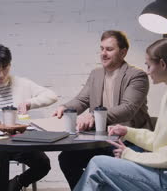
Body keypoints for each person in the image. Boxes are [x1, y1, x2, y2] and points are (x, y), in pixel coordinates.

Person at [74, 38, 167, 191]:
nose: (148, 71)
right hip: (165, 173)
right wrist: (127, 132)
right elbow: (159, 141)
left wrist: (129, 154)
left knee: (97, 163)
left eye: (149, 65)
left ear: (163, 64)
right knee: (104, 187)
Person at [52, 30, 153, 189]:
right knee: (67, 159)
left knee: (107, 168)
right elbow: (82, 99)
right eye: (102, 49)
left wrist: (93, 116)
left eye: (109, 49)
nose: (103, 54)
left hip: (129, 141)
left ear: (123, 52)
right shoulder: (96, 74)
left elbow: (128, 108)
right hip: (100, 141)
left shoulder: (137, 76)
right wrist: (65, 107)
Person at [0, 44, 58, 191]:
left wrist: (29, 103)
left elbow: (52, 96)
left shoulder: (22, 84)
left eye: (5, 68)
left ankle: (15, 184)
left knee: (43, 164)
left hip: (19, 140)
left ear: (10, 65)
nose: (1, 75)